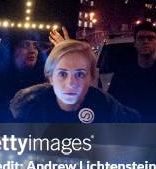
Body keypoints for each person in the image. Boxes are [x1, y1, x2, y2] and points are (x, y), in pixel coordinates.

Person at [10, 39, 140, 123]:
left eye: (80, 74)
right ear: (51, 77)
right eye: (62, 74)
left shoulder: (106, 106)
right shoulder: (31, 106)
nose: (71, 83)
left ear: (91, 78)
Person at [108, 21, 156, 122]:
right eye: (140, 38)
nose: (145, 41)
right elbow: (113, 105)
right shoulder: (123, 74)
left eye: (151, 38)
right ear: (135, 43)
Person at [0, 32, 45, 121]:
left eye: (35, 46)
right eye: (25, 45)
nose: (32, 51)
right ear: (11, 50)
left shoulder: (42, 79)